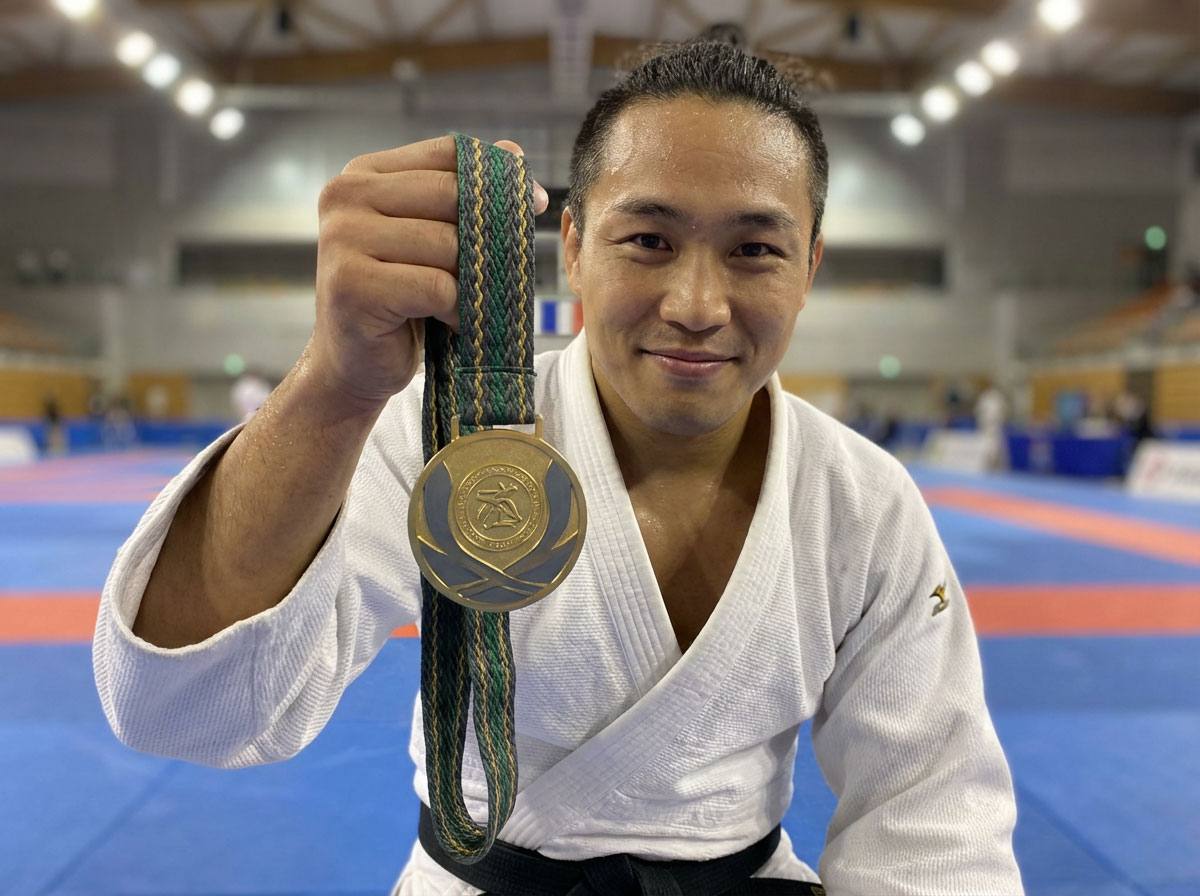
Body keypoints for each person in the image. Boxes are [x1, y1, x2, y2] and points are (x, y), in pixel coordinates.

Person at [93, 37, 1023, 895]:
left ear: (809, 267)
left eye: (755, 250)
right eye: (649, 240)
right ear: (572, 247)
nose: (697, 304)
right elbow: (187, 709)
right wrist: (336, 385)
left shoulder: (864, 501)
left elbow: (931, 815)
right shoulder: (448, 434)